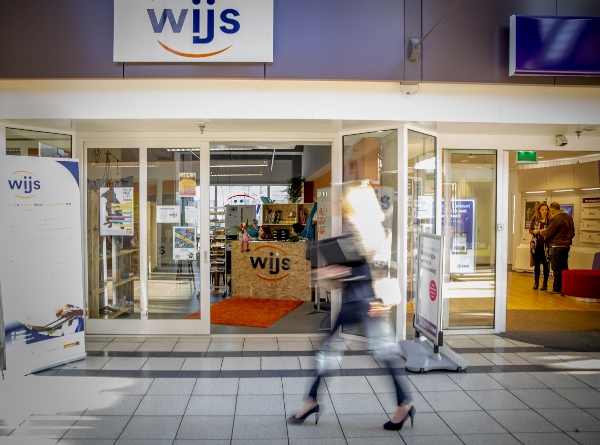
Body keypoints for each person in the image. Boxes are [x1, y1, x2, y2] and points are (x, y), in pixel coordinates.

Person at [288, 183, 414, 431]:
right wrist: (333, 269)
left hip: (365, 301)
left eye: (343, 201)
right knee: (336, 353)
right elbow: (353, 264)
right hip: (354, 300)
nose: (339, 205)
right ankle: (312, 400)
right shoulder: (356, 226)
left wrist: (330, 270)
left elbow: (363, 267)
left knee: (380, 354)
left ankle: (403, 403)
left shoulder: (366, 228)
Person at [534, 202, 575, 295]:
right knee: (564, 267)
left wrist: (542, 232)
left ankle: (556, 289)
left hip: (556, 246)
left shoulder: (555, 218)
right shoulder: (569, 218)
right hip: (566, 246)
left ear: (552, 209)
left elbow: (548, 233)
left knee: (556, 268)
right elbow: (573, 233)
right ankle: (564, 288)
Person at [528, 203, 550, 290]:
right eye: (543, 210)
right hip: (536, 245)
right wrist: (535, 231)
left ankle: (545, 283)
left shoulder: (549, 220)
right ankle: (536, 282)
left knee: (546, 265)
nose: (544, 211)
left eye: (546, 210)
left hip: (546, 245)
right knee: (537, 265)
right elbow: (530, 230)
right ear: (539, 210)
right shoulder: (535, 219)